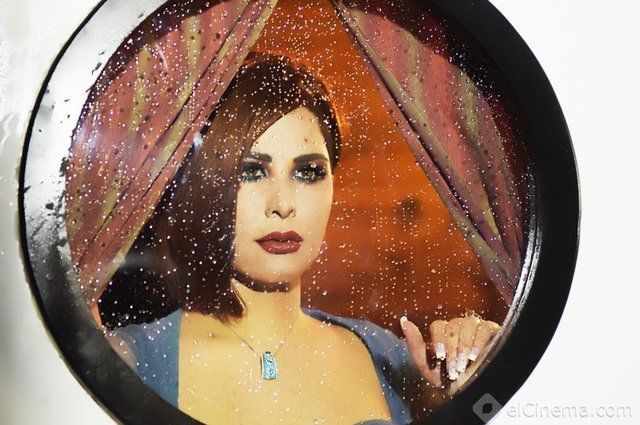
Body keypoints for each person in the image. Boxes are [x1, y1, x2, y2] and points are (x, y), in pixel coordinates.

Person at [105, 51, 502, 425]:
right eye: (251, 171)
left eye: (307, 172)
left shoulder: (388, 358)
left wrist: (462, 399)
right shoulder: (129, 363)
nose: (282, 205)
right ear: (204, 184)